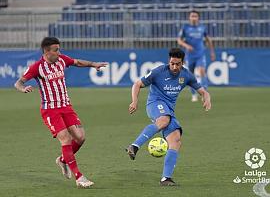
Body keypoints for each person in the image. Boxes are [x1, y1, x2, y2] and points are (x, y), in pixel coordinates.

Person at [14, 37, 107, 188]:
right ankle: (79, 177)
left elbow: (77, 62)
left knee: (80, 138)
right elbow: (18, 82)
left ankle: (63, 160)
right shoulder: (37, 67)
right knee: (65, 139)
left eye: (59, 49)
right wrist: (23, 88)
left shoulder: (62, 60)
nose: (59, 52)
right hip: (50, 110)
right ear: (46, 51)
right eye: (56, 50)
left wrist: (93, 64)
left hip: (66, 107)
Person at [126, 48, 211, 186]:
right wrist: (135, 101)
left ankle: (166, 178)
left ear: (182, 63)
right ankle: (134, 146)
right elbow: (137, 84)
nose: (174, 66)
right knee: (164, 120)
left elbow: (203, 91)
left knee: (176, 140)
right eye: (172, 63)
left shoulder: (187, 75)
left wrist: (207, 98)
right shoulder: (159, 71)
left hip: (169, 110)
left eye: (177, 64)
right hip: (155, 104)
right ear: (169, 61)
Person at [177, 10, 215, 102]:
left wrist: (212, 52)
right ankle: (194, 94)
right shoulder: (185, 28)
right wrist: (187, 46)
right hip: (189, 56)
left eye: (195, 16)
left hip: (200, 54)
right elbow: (179, 40)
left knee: (202, 71)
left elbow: (208, 40)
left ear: (198, 18)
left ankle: (204, 93)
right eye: (192, 16)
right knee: (191, 75)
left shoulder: (202, 27)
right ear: (189, 18)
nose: (193, 18)